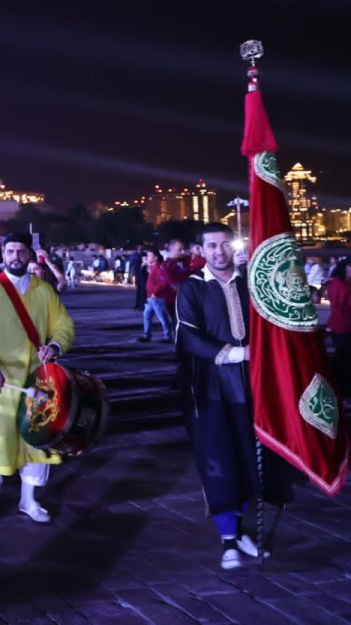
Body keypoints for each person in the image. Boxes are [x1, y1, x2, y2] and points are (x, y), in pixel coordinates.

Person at [176, 223, 292, 570]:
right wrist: (235, 354)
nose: (219, 251)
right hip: (212, 390)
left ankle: (245, 531)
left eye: (225, 244)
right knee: (220, 461)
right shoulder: (192, 288)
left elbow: (274, 322)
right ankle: (228, 538)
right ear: (202, 250)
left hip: (253, 388)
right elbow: (187, 337)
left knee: (252, 460)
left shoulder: (251, 286)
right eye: (211, 246)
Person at [0, 232, 74, 524]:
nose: (15, 256)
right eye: (10, 251)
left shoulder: (44, 291)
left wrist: (55, 345)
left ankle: (28, 500)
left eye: (21, 251)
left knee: (37, 439)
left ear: (30, 255)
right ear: (3, 254)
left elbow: (63, 324)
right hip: (0, 380)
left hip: (38, 379)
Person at [327, 259, 351, 396]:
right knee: (344, 358)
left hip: (342, 324)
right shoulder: (338, 284)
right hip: (342, 325)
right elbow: (338, 305)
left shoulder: (340, 284)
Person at [139, 251, 174, 342]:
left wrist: (155, 292)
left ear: (156, 258)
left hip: (157, 297)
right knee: (147, 316)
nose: (147, 257)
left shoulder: (159, 268)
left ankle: (168, 336)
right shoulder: (152, 268)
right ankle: (146, 335)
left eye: (149, 255)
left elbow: (163, 282)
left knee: (162, 317)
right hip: (151, 297)